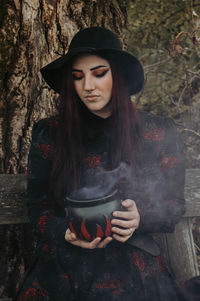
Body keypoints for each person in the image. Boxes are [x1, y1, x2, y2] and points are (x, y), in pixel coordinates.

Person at [16, 27, 187, 300]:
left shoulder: (156, 131)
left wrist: (140, 218)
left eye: (99, 73)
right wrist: (65, 232)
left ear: (117, 75)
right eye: (77, 77)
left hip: (132, 261)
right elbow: (38, 207)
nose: (87, 86)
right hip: (66, 265)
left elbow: (174, 204)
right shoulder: (50, 133)